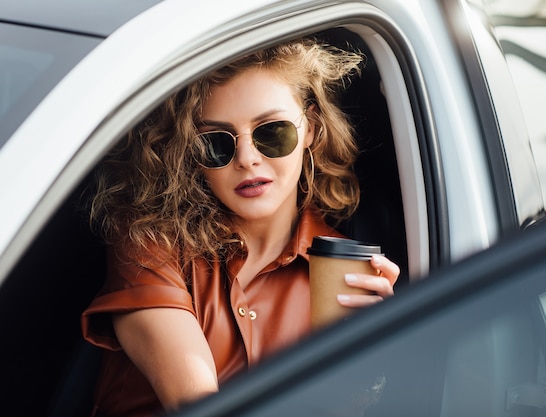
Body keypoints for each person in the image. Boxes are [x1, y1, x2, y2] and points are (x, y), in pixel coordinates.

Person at [81, 36, 400, 417]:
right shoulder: (151, 239)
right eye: (215, 143)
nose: (247, 159)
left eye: (272, 132)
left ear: (311, 128)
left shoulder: (342, 274)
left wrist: (372, 364)